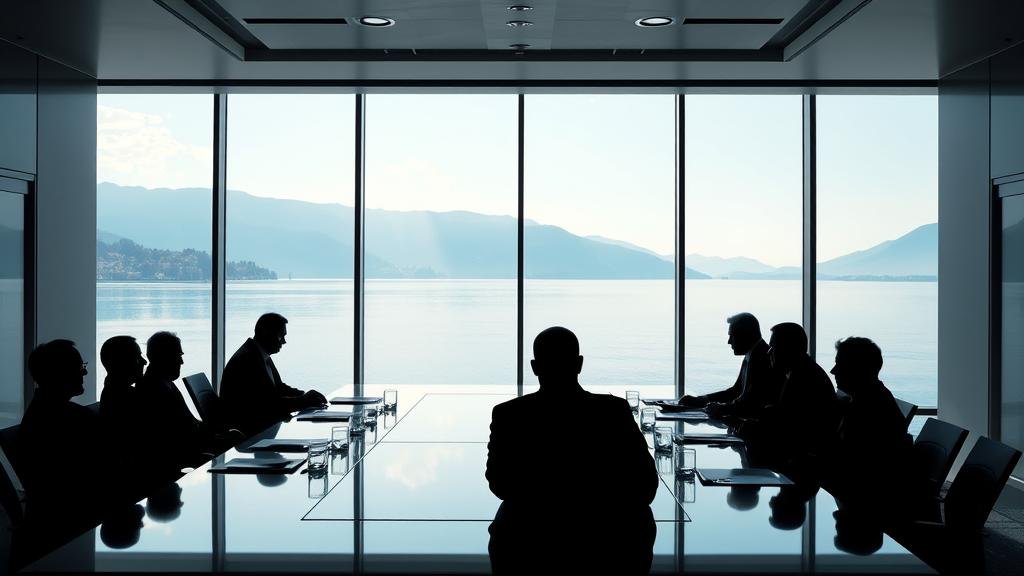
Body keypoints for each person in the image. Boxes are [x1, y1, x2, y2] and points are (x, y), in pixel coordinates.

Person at [486, 327, 658, 575]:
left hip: (527, 541)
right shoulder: (613, 411)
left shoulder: (509, 414)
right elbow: (646, 485)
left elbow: (500, 484)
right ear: (579, 364)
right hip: (612, 544)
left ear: (535, 367)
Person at [17, 340, 105, 546]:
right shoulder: (75, 419)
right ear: (60, 374)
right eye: (78, 368)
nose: (84, 373)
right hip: (75, 521)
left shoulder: (38, 415)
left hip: (51, 520)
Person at [824, 337, 913, 510]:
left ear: (859, 370)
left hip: (862, 506)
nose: (833, 371)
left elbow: (849, 466)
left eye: (840, 364)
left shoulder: (868, 411)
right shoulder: (870, 400)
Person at [741, 322, 837, 469]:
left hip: (803, 465)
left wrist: (750, 424)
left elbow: (790, 429)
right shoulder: (799, 371)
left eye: (774, 346)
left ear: (789, 348)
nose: (769, 352)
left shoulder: (806, 378)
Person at [220, 313, 327, 437]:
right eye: (281, 336)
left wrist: (304, 395)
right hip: (251, 432)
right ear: (266, 333)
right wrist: (304, 400)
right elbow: (269, 405)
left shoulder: (256, 353)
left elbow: (279, 388)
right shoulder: (249, 359)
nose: (284, 341)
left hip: (260, 426)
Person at [672, 312, 779, 419]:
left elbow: (751, 404)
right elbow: (735, 391)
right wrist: (703, 399)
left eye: (732, 335)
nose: (729, 341)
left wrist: (721, 408)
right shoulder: (753, 354)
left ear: (745, 335)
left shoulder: (762, 358)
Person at [137, 331, 211, 477]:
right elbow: (179, 435)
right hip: (175, 465)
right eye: (178, 355)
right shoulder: (155, 389)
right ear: (164, 357)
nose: (181, 362)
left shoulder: (160, 382)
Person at [98, 335, 153, 502]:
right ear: (121, 363)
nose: (144, 362)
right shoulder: (127, 399)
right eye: (138, 357)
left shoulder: (115, 395)